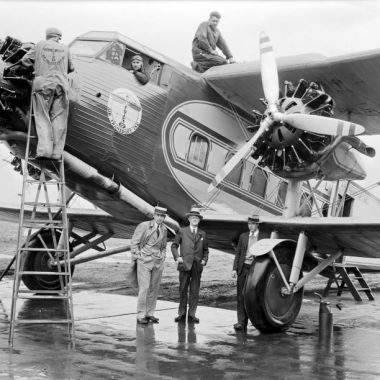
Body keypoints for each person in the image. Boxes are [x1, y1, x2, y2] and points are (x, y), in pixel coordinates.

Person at [13, 27, 74, 159]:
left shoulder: (40, 45)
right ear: (58, 37)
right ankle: (56, 153)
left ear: (47, 36)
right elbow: (71, 68)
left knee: (42, 117)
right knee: (59, 119)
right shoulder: (66, 48)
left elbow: (25, 61)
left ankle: (45, 151)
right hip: (62, 86)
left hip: (43, 84)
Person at [130, 206, 168, 324]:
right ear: (154, 215)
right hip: (145, 261)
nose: (160, 218)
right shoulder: (144, 226)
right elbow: (134, 242)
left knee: (154, 289)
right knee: (144, 288)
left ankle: (150, 314)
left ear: (164, 218)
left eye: (162, 216)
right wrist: (138, 255)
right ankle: (140, 315)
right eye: (158, 215)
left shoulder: (164, 229)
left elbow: (164, 246)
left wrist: (163, 256)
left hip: (158, 262)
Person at [171, 208, 209, 323]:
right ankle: (181, 314)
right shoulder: (182, 231)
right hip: (184, 265)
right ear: (189, 219)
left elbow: (206, 250)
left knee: (194, 291)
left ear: (199, 220)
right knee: (183, 290)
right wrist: (177, 257)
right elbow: (174, 246)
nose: (195, 219)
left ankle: (192, 315)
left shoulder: (203, 233)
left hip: (197, 266)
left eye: (197, 218)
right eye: (193, 217)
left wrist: (204, 260)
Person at [231, 214, 262, 331]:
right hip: (243, 267)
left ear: (257, 225)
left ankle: (257, 322)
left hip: (256, 269)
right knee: (240, 295)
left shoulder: (264, 236)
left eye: (253, 224)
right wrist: (234, 269)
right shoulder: (243, 236)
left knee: (255, 296)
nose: (251, 226)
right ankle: (241, 322)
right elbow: (238, 253)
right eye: (249, 224)